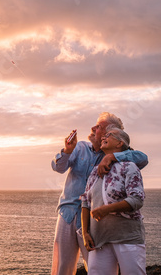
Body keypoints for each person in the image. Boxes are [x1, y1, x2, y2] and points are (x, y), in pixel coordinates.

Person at [50, 112, 148, 275]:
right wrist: (67, 150)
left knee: (95, 265)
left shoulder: (114, 154)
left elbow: (142, 158)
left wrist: (111, 157)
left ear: (110, 133)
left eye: (99, 127)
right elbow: (58, 167)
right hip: (68, 214)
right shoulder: (80, 147)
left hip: (94, 219)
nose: (93, 128)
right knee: (62, 268)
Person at [81, 128, 146, 275]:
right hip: (99, 240)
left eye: (109, 135)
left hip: (127, 238)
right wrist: (85, 233)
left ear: (119, 143)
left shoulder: (129, 166)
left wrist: (106, 209)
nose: (104, 136)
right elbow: (85, 202)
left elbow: (137, 199)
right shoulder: (95, 171)